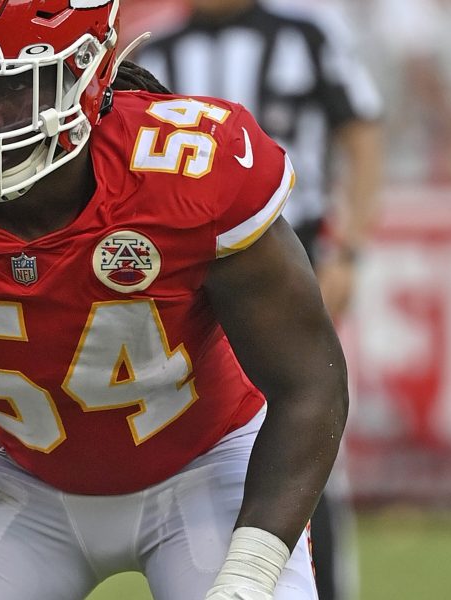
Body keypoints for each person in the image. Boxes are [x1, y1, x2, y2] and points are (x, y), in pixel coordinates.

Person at [0, 1, 348, 599]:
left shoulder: (187, 172)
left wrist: (250, 570)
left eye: (10, 89)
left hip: (209, 463)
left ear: (86, 74)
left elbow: (309, 383)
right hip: (16, 471)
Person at [135, 2, 383, 599]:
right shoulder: (157, 50)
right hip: (191, 277)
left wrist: (349, 249)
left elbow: (361, 129)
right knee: (216, 433)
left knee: (307, 424)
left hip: (294, 256)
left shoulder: (306, 33)